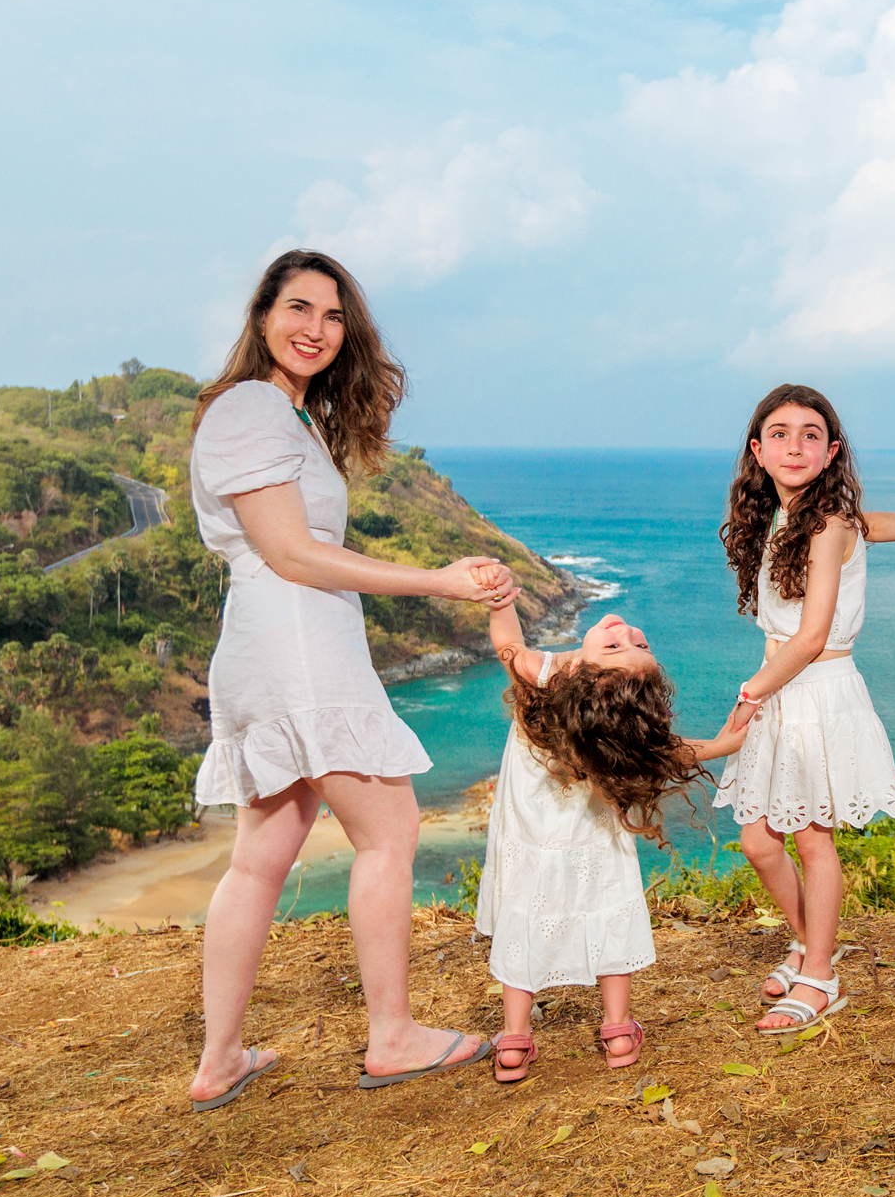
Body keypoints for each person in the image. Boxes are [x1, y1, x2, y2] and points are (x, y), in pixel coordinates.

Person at [184, 249, 501, 1111]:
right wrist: (437, 580)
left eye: (332, 317)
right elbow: (291, 553)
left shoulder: (283, 417)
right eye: (298, 308)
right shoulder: (250, 407)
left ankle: (220, 1060)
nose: (314, 330)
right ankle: (392, 1035)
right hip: (297, 642)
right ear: (261, 318)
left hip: (267, 644)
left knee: (261, 857)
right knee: (390, 828)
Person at [716, 384, 895, 1031]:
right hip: (781, 681)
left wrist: (750, 694)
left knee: (813, 842)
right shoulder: (795, 518)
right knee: (760, 840)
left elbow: (813, 636)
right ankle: (809, 941)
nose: (796, 444)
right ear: (758, 452)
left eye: (811, 434)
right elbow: (876, 527)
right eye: (781, 433)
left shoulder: (827, 522)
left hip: (812, 687)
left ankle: (820, 976)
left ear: (831, 450)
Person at [471, 578, 751, 1083]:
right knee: (607, 916)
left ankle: (514, 1040)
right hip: (594, 843)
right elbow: (667, 751)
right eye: (633, 645)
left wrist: (502, 604)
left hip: (530, 842)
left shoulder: (546, 676)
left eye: (630, 647)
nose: (629, 635)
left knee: (522, 920)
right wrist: (722, 744)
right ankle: (618, 1031)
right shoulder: (615, 722)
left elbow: (507, 646)